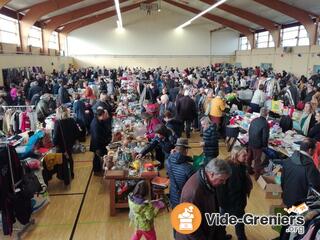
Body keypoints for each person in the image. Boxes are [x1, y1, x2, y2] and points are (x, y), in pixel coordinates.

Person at [176, 158, 232, 240]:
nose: (224, 183)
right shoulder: (193, 193)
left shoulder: (208, 183)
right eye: (221, 180)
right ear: (212, 174)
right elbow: (188, 227)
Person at [217, 146, 252, 240]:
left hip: (224, 202)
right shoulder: (235, 170)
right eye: (244, 155)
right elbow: (235, 191)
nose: (246, 157)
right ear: (236, 156)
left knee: (222, 221)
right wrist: (238, 207)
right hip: (233, 203)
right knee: (239, 224)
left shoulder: (229, 164)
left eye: (246, 155)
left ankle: (220, 236)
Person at [281, 138, 320, 208]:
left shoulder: (288, 160)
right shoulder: (310, 166)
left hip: (286, 196)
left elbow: (282, 181)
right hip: (300, 202)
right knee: (298, 216)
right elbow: (317, 185)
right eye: (315, 149)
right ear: (310, 150)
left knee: (287, 213)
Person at [166, 138, 194, 208]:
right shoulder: (188, 167)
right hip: (184, 198)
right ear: (186, 150)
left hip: (173, 195)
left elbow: (173, 159)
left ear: (175, 149)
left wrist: (171, 155)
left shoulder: (167, 162)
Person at [53, 106, 79, 180]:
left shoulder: (57, 123)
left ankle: (63, 176)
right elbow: (77, 132)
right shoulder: (71, 120)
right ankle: (71, 174)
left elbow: (55, 137)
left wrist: (54, 144)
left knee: (62, 161)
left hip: (61, 146)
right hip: (70, 144)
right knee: (70, 158)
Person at [247, 107, 269, 180]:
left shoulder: (254, 120)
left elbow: (249, 130)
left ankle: (248, 170)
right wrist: (265, 145)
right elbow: (265, 137)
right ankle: (257, 176)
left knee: (249, 157)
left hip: (250, 141)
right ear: (266, 114)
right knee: (257, 161)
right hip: (258, 145)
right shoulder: (265, 123)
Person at [90, 109, 112, 175]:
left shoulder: (99, 120)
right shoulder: (96, 124)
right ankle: (97, 172)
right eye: (105, 115)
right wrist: (108, 141)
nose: (106, 116)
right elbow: (97, 138)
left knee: (98, 159)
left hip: (100, 144)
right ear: (101, 115)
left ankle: (98, 170)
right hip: (98, 145)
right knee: (98, 159)